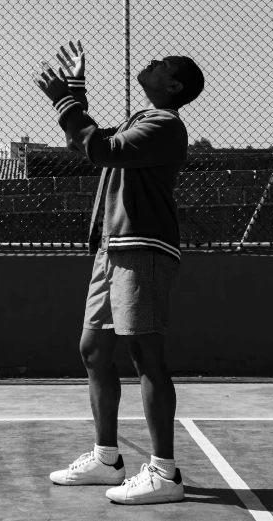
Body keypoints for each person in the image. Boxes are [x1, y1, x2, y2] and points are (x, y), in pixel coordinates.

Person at [35, 40, 204, 505]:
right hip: (112, 249)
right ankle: (107, 459)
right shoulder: (141, 121)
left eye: (161, 62)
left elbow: (99, 148)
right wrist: (74, 91)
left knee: (146, 354)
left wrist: (65, 100)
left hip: (142, 248)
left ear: (173, 85)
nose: (150, 61)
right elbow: (85, 140)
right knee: (93, 349)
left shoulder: (166, 125)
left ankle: (165, 473)